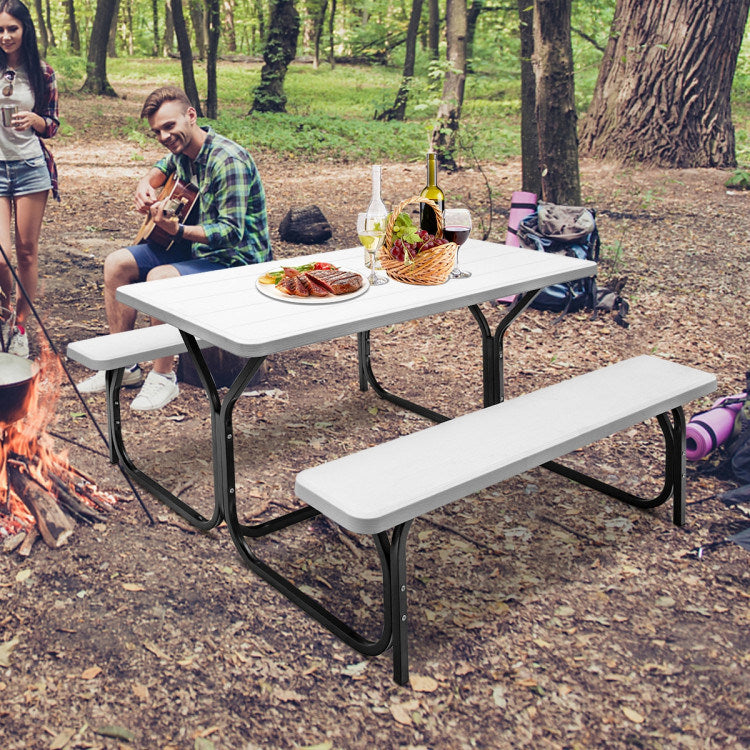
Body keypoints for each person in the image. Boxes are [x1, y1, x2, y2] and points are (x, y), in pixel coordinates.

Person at [78, 85, 272, 410]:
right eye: (157, 131)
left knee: (160, 280)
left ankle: (163, 378)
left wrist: (177, 229)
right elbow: (164, 165)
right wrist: (145, 184)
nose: (165, 136)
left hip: (236, 262)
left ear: (191, 116)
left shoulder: (228, 161)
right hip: (194, 250)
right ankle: (122, 365)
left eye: (170, 126)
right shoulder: (181, 152)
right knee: (116, 264)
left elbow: (231, 234)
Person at [0, 0, 59, 358]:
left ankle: (19, 326)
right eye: (0, 30)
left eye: (12, 29)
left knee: (26, 253)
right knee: (1, 257)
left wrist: (36, 121)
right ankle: (3, 316)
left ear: (25, 30)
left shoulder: (43, 73)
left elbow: (52, 124)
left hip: (29, 168)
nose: (5, 36)